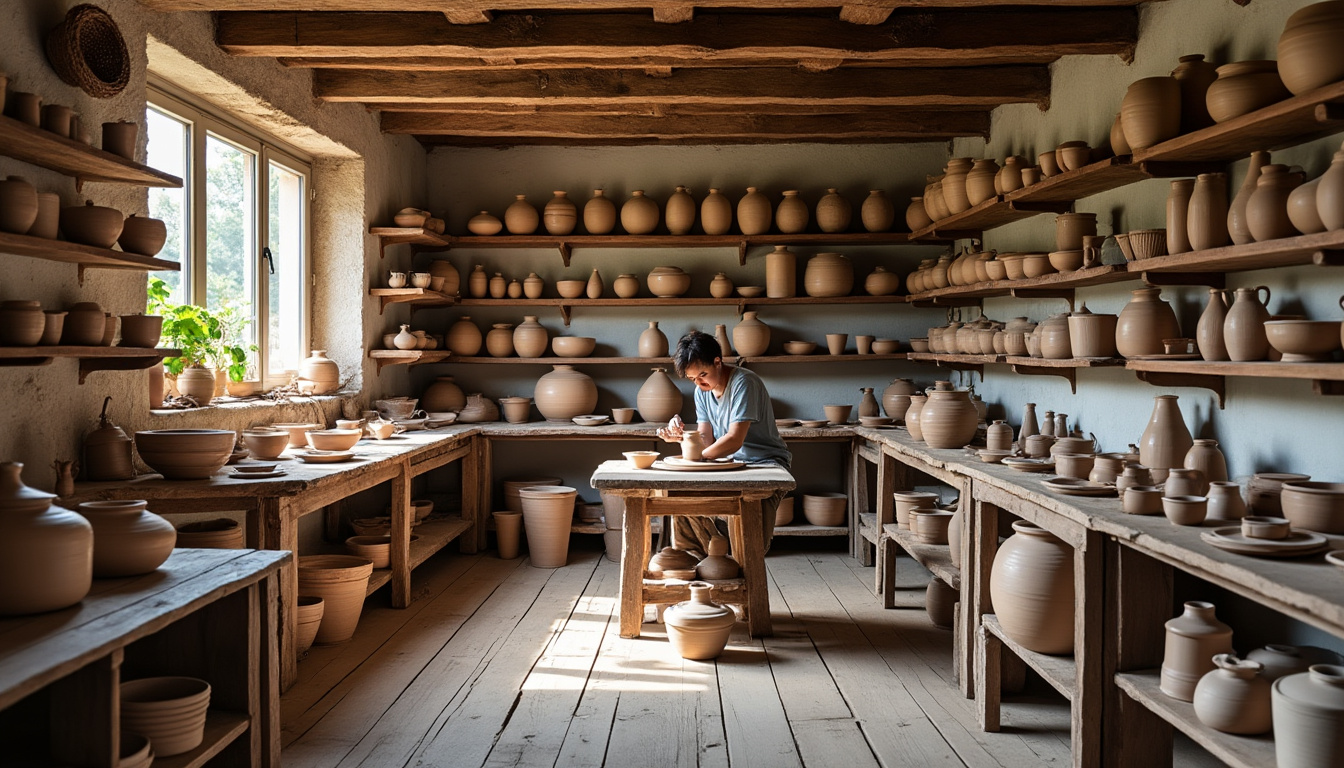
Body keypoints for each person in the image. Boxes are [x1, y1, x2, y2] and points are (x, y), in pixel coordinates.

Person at [657, 330, 792, 557]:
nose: (699, 383)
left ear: (718, 362)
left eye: (703, 374)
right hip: (729, 463)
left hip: (765, 463)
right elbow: (705, 440)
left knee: (750, 543)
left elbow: (734, 440)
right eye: (692, 379)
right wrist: (682, 437)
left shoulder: (744, 382)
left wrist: (696, 458)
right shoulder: (702, 392)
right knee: (681, 501)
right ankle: (694, 562)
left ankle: (732, 559)